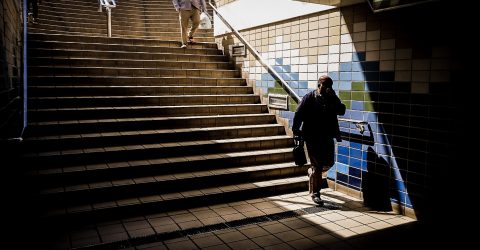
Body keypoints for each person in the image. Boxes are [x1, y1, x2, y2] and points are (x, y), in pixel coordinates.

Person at [292, 75, 346, 206]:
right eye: (326, 85)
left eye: (330, 86)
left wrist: (334, 97)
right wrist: (296, 130)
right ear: (319, 85)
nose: (328, 88)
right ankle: (316, 194)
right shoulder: (309, 97)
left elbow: (342, 110)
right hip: (312, 137)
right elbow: (298, 114)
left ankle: (313, 173)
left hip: (327, 136)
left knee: (329, 162)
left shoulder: (331, 98)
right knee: (318, 165)